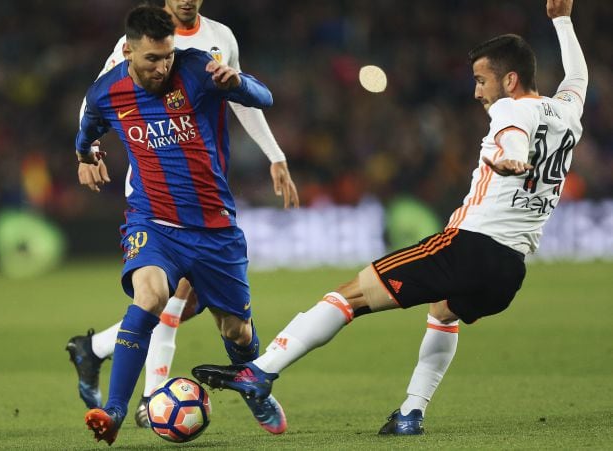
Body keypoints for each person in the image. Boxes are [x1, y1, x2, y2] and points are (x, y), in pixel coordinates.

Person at [192, 0, 587, 436]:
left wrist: (511, 158)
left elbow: (511, 138)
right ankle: (410, 415)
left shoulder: (510, 110)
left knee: (350, 296)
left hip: (470, 246)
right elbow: (577, 78)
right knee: (443, 312)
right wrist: (563, 21)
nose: (477, 92)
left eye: (482, 80)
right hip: (510, 270)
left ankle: (259, 372)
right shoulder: (567, 112)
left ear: (509, 80)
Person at [65, 0, 299, 430]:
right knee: (151, 299)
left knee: (237, 332)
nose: (161, 67)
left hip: (213, 226)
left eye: (167, 55)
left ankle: (255, 388)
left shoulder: (196, 67)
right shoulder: (107, 90)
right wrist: (87, 154)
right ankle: (115, 412)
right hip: (152, 219)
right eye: (152, 58)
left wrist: (237, 81)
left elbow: (264, 98)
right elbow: (87, 127)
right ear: (129, 52)